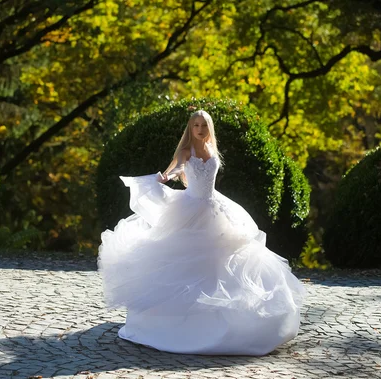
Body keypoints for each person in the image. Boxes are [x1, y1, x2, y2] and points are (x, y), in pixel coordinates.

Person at [97, 110, 305, 356]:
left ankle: (229, 322)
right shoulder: (186, 152)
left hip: (216, 207)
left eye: (203, 124)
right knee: (186, 263)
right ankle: (182, 324)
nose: (199, 129)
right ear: (190, 128)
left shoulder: (212, 150)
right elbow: (173, 171)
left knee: (227, 259)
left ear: (209, 127)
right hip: (190, 208)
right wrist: (160, 179)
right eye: (195, 125)